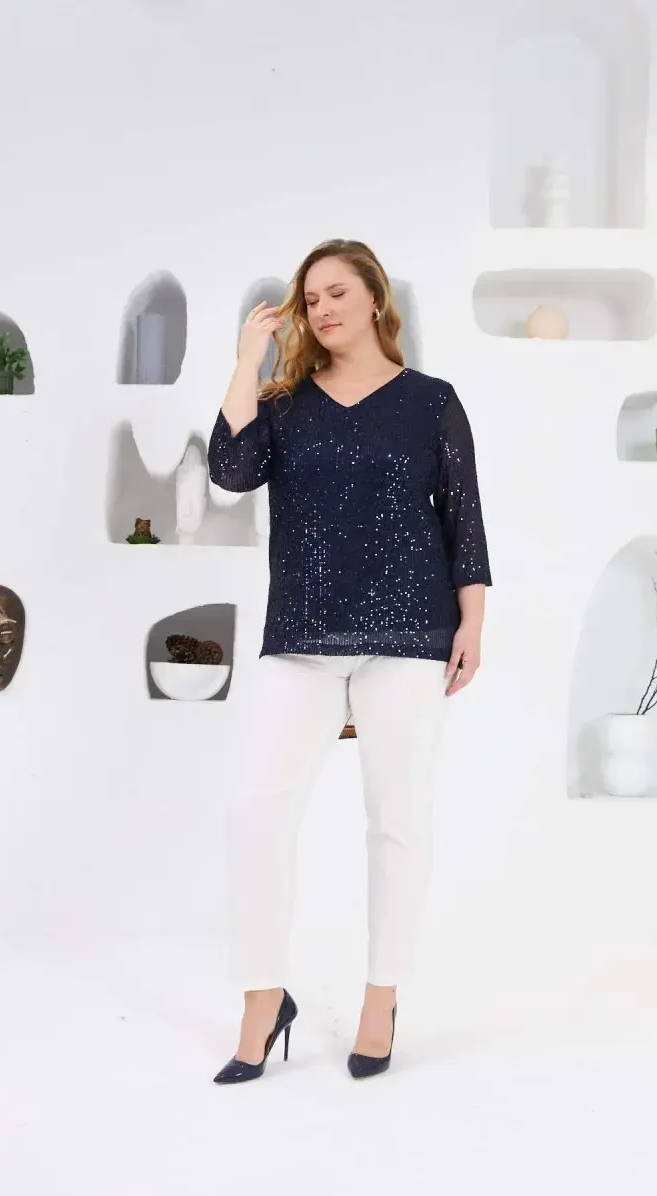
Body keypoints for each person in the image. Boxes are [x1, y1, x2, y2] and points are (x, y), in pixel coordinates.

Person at [207, 238, 492, 1084]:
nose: (323, 308)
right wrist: (247, 361)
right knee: (255, 811)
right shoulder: (285, 404)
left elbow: (465, 521)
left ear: (374, 297)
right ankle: (264, 999)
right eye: (310, 299)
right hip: (301, 636)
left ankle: (381, 998)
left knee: (398, 822)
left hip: (410, 635)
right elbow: (230, 471)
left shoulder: (431, 401)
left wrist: (473, 622)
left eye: (337, 291)